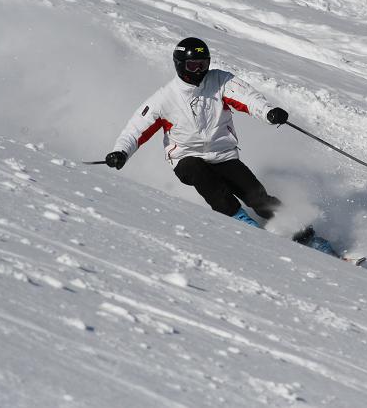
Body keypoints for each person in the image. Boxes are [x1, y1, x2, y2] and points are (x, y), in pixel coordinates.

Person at [104, 37, 335, 255]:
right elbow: (136, 129)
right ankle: (243, 225)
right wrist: (121, 151)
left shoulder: (220, 81)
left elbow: (249, 98)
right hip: (186, 156)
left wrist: (269, 112)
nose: (200, 71)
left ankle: (309, 239)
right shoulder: (164, 99)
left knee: (258, 198)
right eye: (194, 66)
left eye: (204, 64)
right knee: (200, 174)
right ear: (181, 66)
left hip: (223, 155)